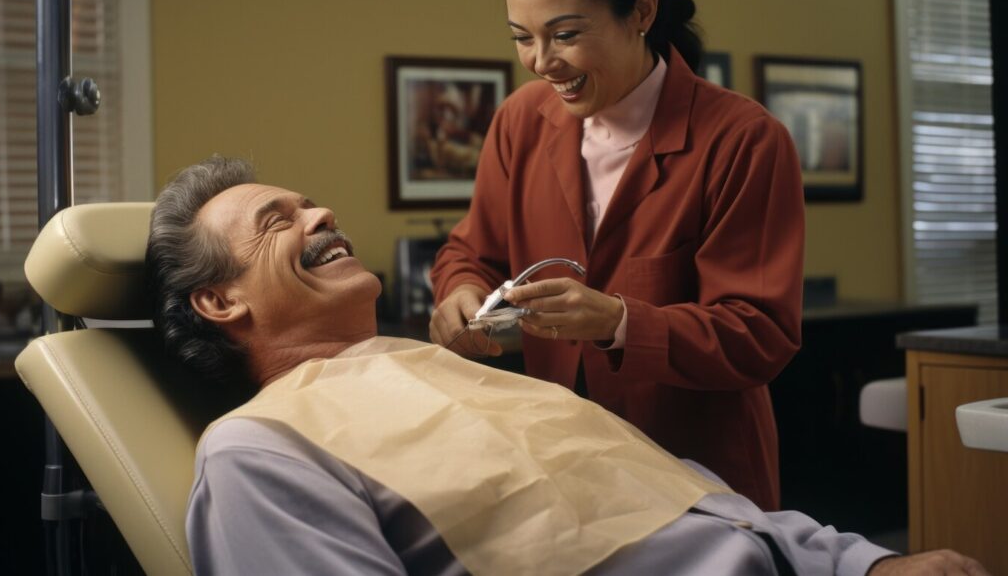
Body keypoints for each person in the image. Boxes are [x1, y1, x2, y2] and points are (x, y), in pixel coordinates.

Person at [147, 157, 987, 576]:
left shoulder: (451, 369)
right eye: (276, 219)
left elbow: (681, 495)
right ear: (220, 303)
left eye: (307, 200)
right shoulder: (259, 454)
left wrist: (865, 561)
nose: (321, 210)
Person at [429, 0, 803, 511]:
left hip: (700, 478)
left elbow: (759, 333)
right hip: (564, 465)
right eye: (523, 38)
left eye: (566, 35)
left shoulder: (744, 139)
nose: (542, 63)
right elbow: (470, 250)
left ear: (642, 11)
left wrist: (617, 321)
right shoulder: (521, 121)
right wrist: (459, 291)